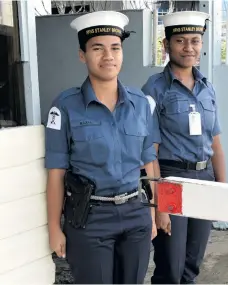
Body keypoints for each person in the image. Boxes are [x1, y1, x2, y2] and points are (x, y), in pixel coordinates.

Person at [44, 11, 158, 284]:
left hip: (136, 213)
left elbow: (149, 163)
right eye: (98, 48)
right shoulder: (65, 106)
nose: (108, 56)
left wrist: (153, 214)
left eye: (115, 48)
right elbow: (56, 173)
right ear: (82, 55)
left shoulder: (141, 103)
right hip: (90, 218)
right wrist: (53, 228)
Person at [142, 11, 226, 284]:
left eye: (195, 40)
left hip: (205, 179)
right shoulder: (154, 89)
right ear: (166, 46)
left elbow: (216, 142)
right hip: (171, 180)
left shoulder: (207, 87)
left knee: (192, 263)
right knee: (170, 266)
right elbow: (148, 150)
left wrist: (222, 191)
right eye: (180, 41)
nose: (188, 47)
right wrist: (159, 205)